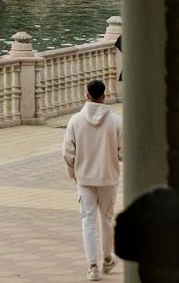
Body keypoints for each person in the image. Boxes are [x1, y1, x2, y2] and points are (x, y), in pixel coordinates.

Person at [62, 78, 122, 279]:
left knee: (87, 220)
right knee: (106, 219)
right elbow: (123, 151)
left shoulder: (75, 121)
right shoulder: (115, 120)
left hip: (85, 178)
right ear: (104, 96)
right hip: (108, 177)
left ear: (87, 95)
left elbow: (67, 152)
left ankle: (92, 266)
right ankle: (107, 258)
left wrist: (74, 173)